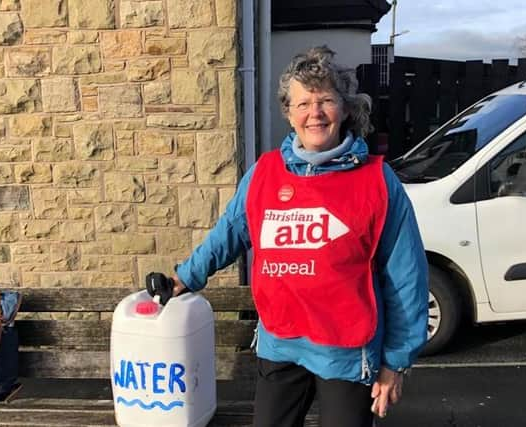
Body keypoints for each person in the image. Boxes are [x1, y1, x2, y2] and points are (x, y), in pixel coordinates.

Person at [171, 46, 428, 427]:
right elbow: (229, 231)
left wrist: (396, 361)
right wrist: (184, 277)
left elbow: (406, 276)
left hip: (345, 350)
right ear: (289, 114)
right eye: (303, 103)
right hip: (281, 342)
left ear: (344, 108)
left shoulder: (377, 181)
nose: (315, 113)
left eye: (325, 100)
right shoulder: (265, 173)